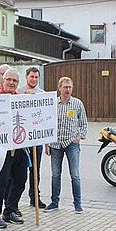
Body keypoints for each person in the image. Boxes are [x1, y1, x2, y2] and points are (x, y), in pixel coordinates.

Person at [0, 68, 28, 228]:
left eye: (15, 81)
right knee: (0, 182)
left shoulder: (22, 99)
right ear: (2, 81)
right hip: (0, 148)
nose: (11, 83)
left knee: (20, 180)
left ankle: (9, 210)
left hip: (20, 148)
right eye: (9, 79)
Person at [43, 77, 87, 213]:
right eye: (65, 87)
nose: (67, 90)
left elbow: (84, 123)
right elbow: (46, 123)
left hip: (71, 144)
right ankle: (54, 202)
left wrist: (79, 136)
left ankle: (77, 204)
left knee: (75, 175)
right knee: (55, 175)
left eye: (70, 87)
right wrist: (47, 143)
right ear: (59, 88)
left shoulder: (77, 104)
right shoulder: (53, 104)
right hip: (55, 144)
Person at [17, 67, 47, 209]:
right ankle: (13, 203)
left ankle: (35, 197)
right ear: (26, 77)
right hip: (22, 139)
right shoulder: (19, 91)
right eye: (31, 77)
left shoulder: (42, 94)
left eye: (36, 77)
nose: (34, 80)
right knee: (19, 172)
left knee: (35, 171)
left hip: (37, 139)